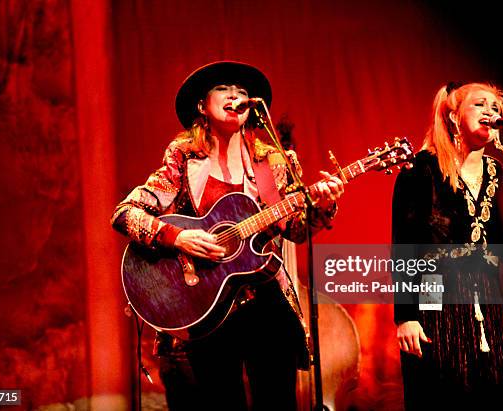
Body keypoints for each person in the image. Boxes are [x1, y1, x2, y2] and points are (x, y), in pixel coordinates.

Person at [111, 61, 344, 410]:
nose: (236, 95)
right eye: (224, 88)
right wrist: (177, 236)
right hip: (209, 307)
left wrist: (322, 207)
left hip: (267, 301)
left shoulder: (274, 163)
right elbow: (125, 214)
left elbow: (295, 229)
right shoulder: (183, 159)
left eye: (243, 91)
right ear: (202, 106)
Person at [391, 82, 503, 411]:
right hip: (434, 288)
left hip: (487, 296)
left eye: (497, 108)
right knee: (443, 387)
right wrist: (406, 316)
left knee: (493, 389)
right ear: (453, 114)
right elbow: (404, 247)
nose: (491, 112)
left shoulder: (498, 173)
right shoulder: (420, 171)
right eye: (480, 104)